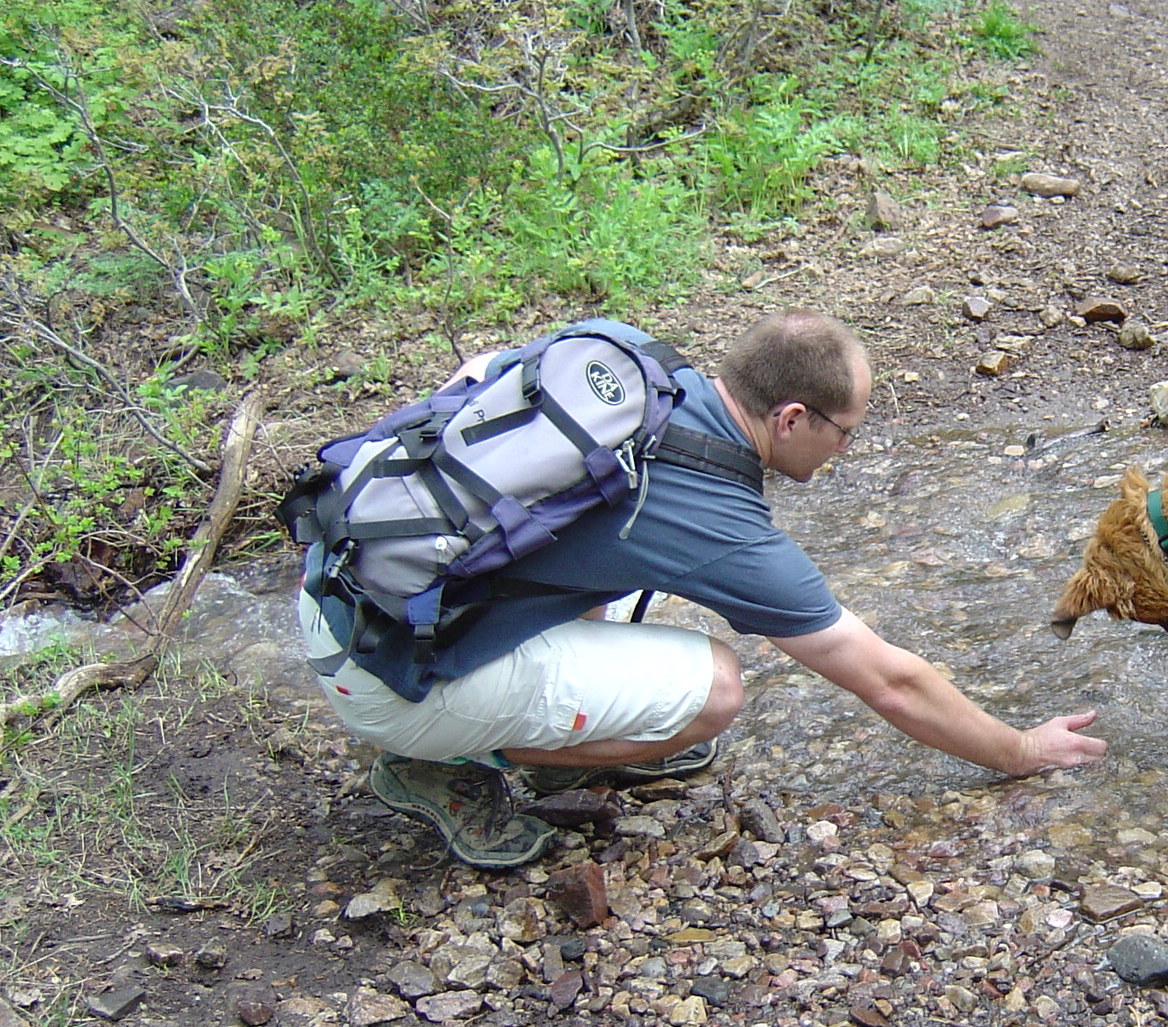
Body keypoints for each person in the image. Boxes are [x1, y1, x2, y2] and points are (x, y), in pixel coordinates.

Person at [299, 310, 1107, 868]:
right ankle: (438, 761)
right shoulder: (720, 523)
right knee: (713, 691)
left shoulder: (624, 362)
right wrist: (1020, 750)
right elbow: (889, 681)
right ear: (791, 417)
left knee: (586, 557)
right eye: (846, 431)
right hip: (389, 677)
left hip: (349, 586)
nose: (847, 451)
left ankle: (521, 725)